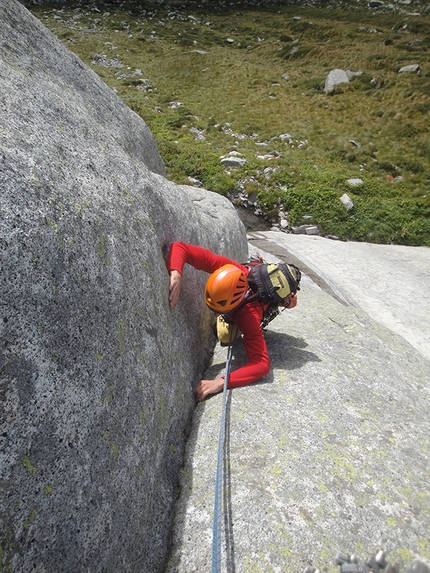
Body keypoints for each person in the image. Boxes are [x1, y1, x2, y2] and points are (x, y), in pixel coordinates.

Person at [168, 241, 297, 402]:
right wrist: (176, 273)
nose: (215, 314)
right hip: (249, 285)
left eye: (220, 310)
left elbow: (261, 365)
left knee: (225, 335)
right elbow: (181, 247)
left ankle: (286, 298)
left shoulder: (248, 316)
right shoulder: (229, 269)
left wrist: (221, 382)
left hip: (254, 307)